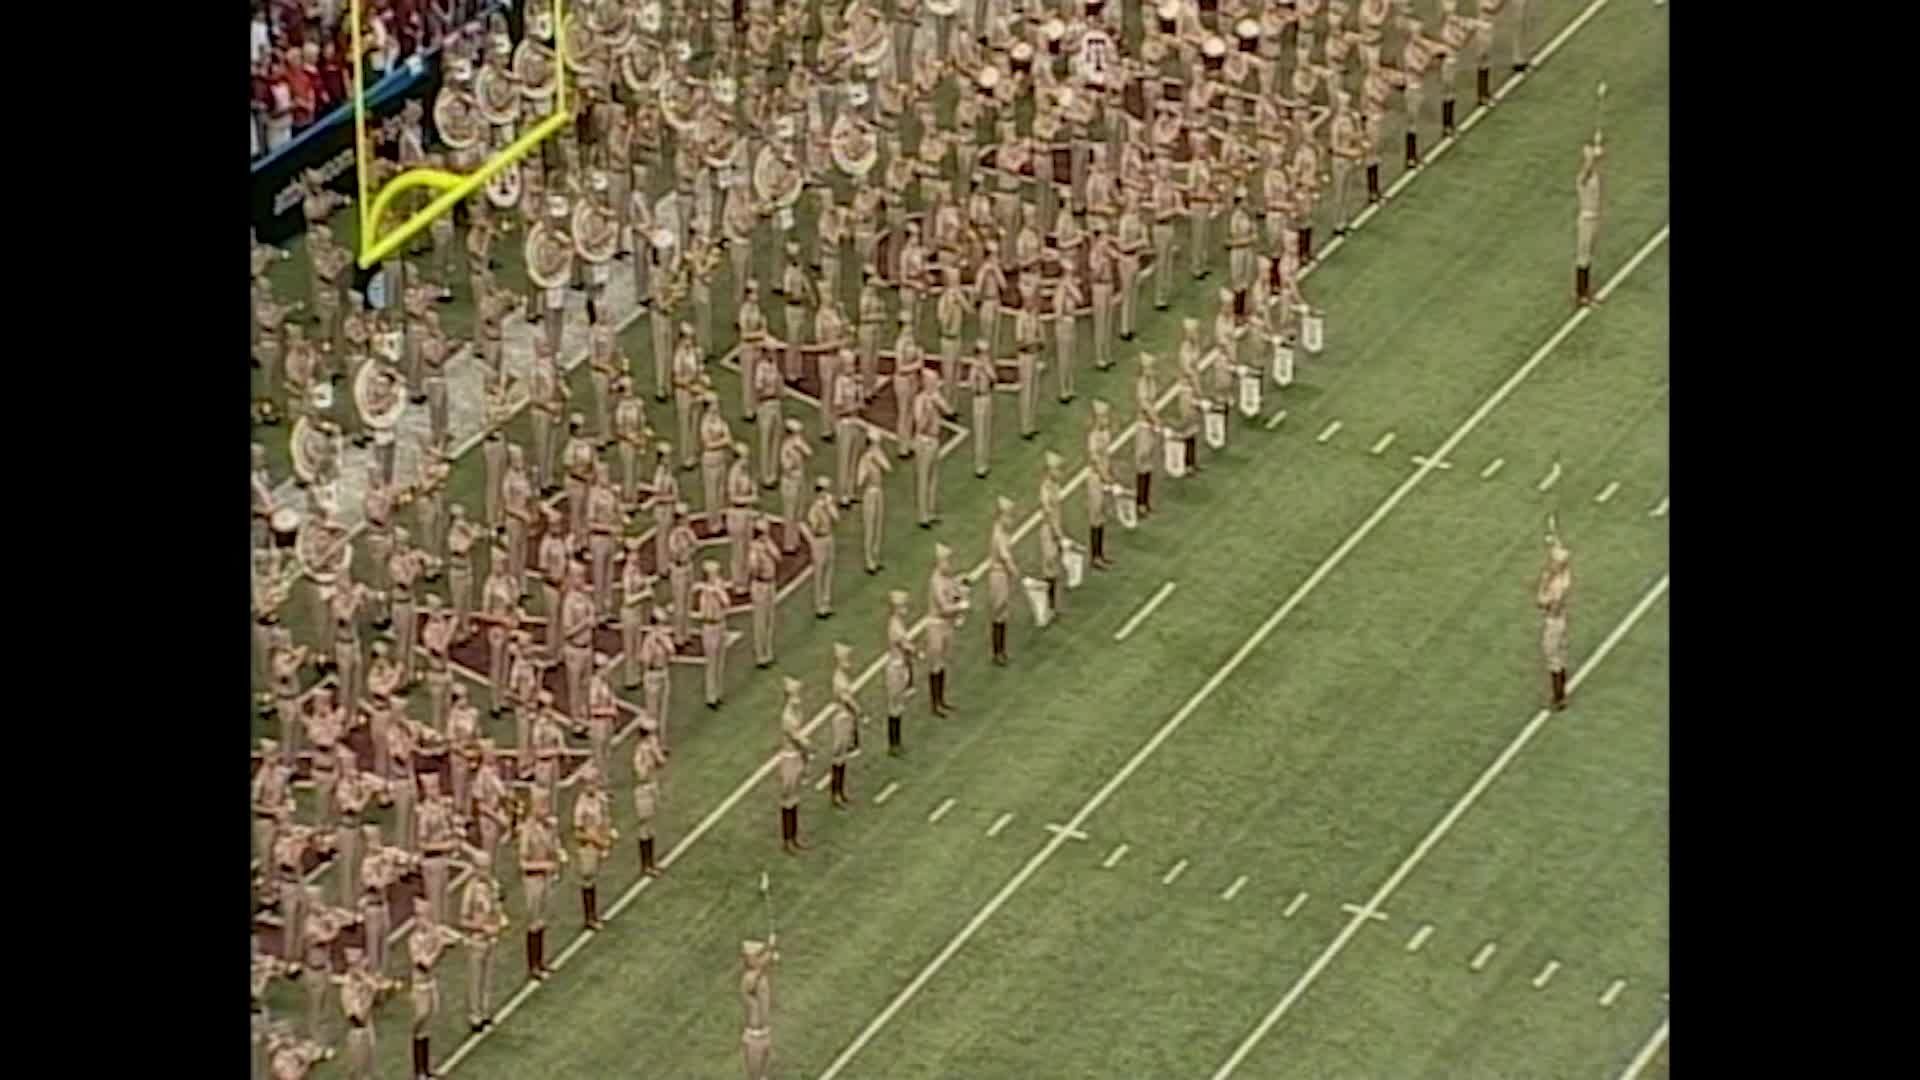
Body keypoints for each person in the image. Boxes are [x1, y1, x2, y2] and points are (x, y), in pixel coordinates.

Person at [460, 850, 508, 1033]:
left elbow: (497, 906)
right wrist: (480, 927)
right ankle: (474, 1015)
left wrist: (499, 922)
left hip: (491, 937)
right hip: (477, 939)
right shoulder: (470, 890)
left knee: (488, 977)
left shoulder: (492, 885)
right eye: (481, 868)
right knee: (476, 978)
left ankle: (485, 1010)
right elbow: (463, 920)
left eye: (487, 867)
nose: (485, 871)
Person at [572, 764, 616, 930]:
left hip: (598, 840)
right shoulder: (581, 806)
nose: (593, 785)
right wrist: (596, 840)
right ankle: (589, 917)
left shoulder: (599, 798)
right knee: (588, 877)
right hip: (588, 845)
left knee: (594, 877)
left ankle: (594, 914)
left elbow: (605, 817)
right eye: (590, 782)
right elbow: (577, 833)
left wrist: (607, 835)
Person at [776, 677, 814, 853]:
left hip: (796, 756)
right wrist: (808, 748)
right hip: (790, 757)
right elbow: (798, 738)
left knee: (795, 797)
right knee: (788, 797)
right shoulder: (787, 717)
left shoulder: (796, 712)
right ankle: (787, 839)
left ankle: (794, 836)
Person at [1537, 534, 1573, 709]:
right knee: (1560, 655)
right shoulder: (1564, 578)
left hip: (1554, 622)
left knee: (1553, 656)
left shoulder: (1557, 587)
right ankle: (1561, 693)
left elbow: (1543, 603)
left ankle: (1559, 697)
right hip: (1561, 620)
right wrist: (1555, 542)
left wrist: (1543, 585)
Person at [630, 710, 667, 876]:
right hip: (643, 790)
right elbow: (641, 774)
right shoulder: (640, 752)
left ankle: (651, 863)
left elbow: (662, 762)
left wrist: (655, 753)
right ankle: (646, 865)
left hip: (652, 786)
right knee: (645, 826)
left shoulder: (651, 747)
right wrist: (650, 757)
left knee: (651, 826)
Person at [985, 495, 1021, 665]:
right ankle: (997, 651)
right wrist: (1015, 572)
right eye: (1009, 515)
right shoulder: (999, 534)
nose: (1011, 519)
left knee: (1003, 611)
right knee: (999, 611)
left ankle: (1001, 649)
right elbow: (1005, 557)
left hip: (1002, 574)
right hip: (998, 575)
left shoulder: (1002, 531)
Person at [694, 560, 732, 709]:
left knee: (720, 659)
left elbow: (726, 602)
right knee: (711, 661)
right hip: (709, 626)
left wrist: (716, 591)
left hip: (721, 624)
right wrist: (710, 593)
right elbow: (704, 613)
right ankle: (711, 697)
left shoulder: (717, 587)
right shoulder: (704, 593)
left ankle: (718, 692)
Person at [740, 938, 779, 1080]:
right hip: (754, 1037)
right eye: (757, 956)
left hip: (765, 1033)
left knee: (765, 1077)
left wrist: (770, 952)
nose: (760, 958)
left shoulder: (761, 975)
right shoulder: (748, 978)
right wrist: (770, 950)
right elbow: (760, 969)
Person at [804, 476, 841, 617]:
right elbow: (814, 528)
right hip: (819, 540)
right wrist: (821, 511)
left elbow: (837, 519)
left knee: (829, 570)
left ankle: (826, 602)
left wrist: (829, 507)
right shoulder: (813, 509)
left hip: (829, 537)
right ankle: (819, 606)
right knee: (819, 573)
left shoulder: (828, 505)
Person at [828, 642, 859, 805]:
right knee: (838, 753)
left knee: (843, 755)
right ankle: (835, 792)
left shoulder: (842, 677)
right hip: (842, 717)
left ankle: (839, 791)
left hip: (845, 717)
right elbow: (847, 700)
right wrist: (858, 711)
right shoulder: (839, 680)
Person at [1574, 136, 1604, 306]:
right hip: (1586, 219)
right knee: (1583, 256)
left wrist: (1596, 153)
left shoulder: (1593, 177)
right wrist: (1590, 157)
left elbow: (1593, 168)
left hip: (1594, 218)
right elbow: (1587, 169)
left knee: (1589, 255)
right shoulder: (1582, 179)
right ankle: (1581, 294)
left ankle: (1586, 291)